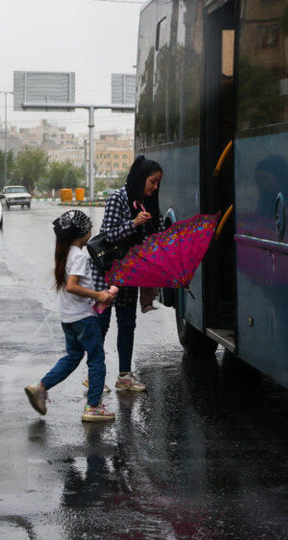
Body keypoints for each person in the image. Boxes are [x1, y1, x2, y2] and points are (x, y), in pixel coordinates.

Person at [25, 210, 117, 422]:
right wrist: (99, 295)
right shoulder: (78, 257)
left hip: (69, 317)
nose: (92, 231)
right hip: (83, 318)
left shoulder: (65, 253)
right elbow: (72, 285)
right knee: (97, 359)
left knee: (73, 357)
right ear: (82, 233)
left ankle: (40, 387)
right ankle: (93, 407)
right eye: (89, 228)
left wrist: (100, 296)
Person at [91, 156, 165, 392]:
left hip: (131, 273)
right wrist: (133, 223)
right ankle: (95, 377)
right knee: (101, 325)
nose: (154, 187)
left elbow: (156, 235)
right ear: (141, 177)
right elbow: (108, 235)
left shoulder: (148, 203)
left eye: (157, 184)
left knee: (127, 324)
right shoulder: (118, 198)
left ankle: (124, 376)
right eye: (152, 182)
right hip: (108, 273)